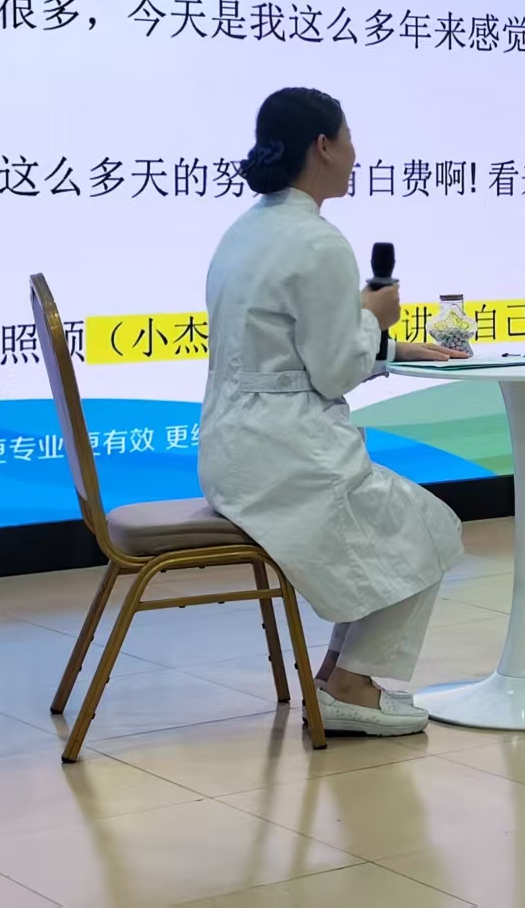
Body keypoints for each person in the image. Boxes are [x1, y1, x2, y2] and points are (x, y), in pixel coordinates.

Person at [198, 87, 465, 737]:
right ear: (323, 146)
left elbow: (293, 347)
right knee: (431, 529)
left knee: (394, 530)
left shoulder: (247, 229)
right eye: (349, 139)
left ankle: (341, 677)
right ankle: (350, 683)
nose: (355, 154)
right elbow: (336, 370)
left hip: (235, 447)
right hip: (283, 452)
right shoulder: (318, 242)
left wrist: (391, 347)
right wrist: (374, 319)